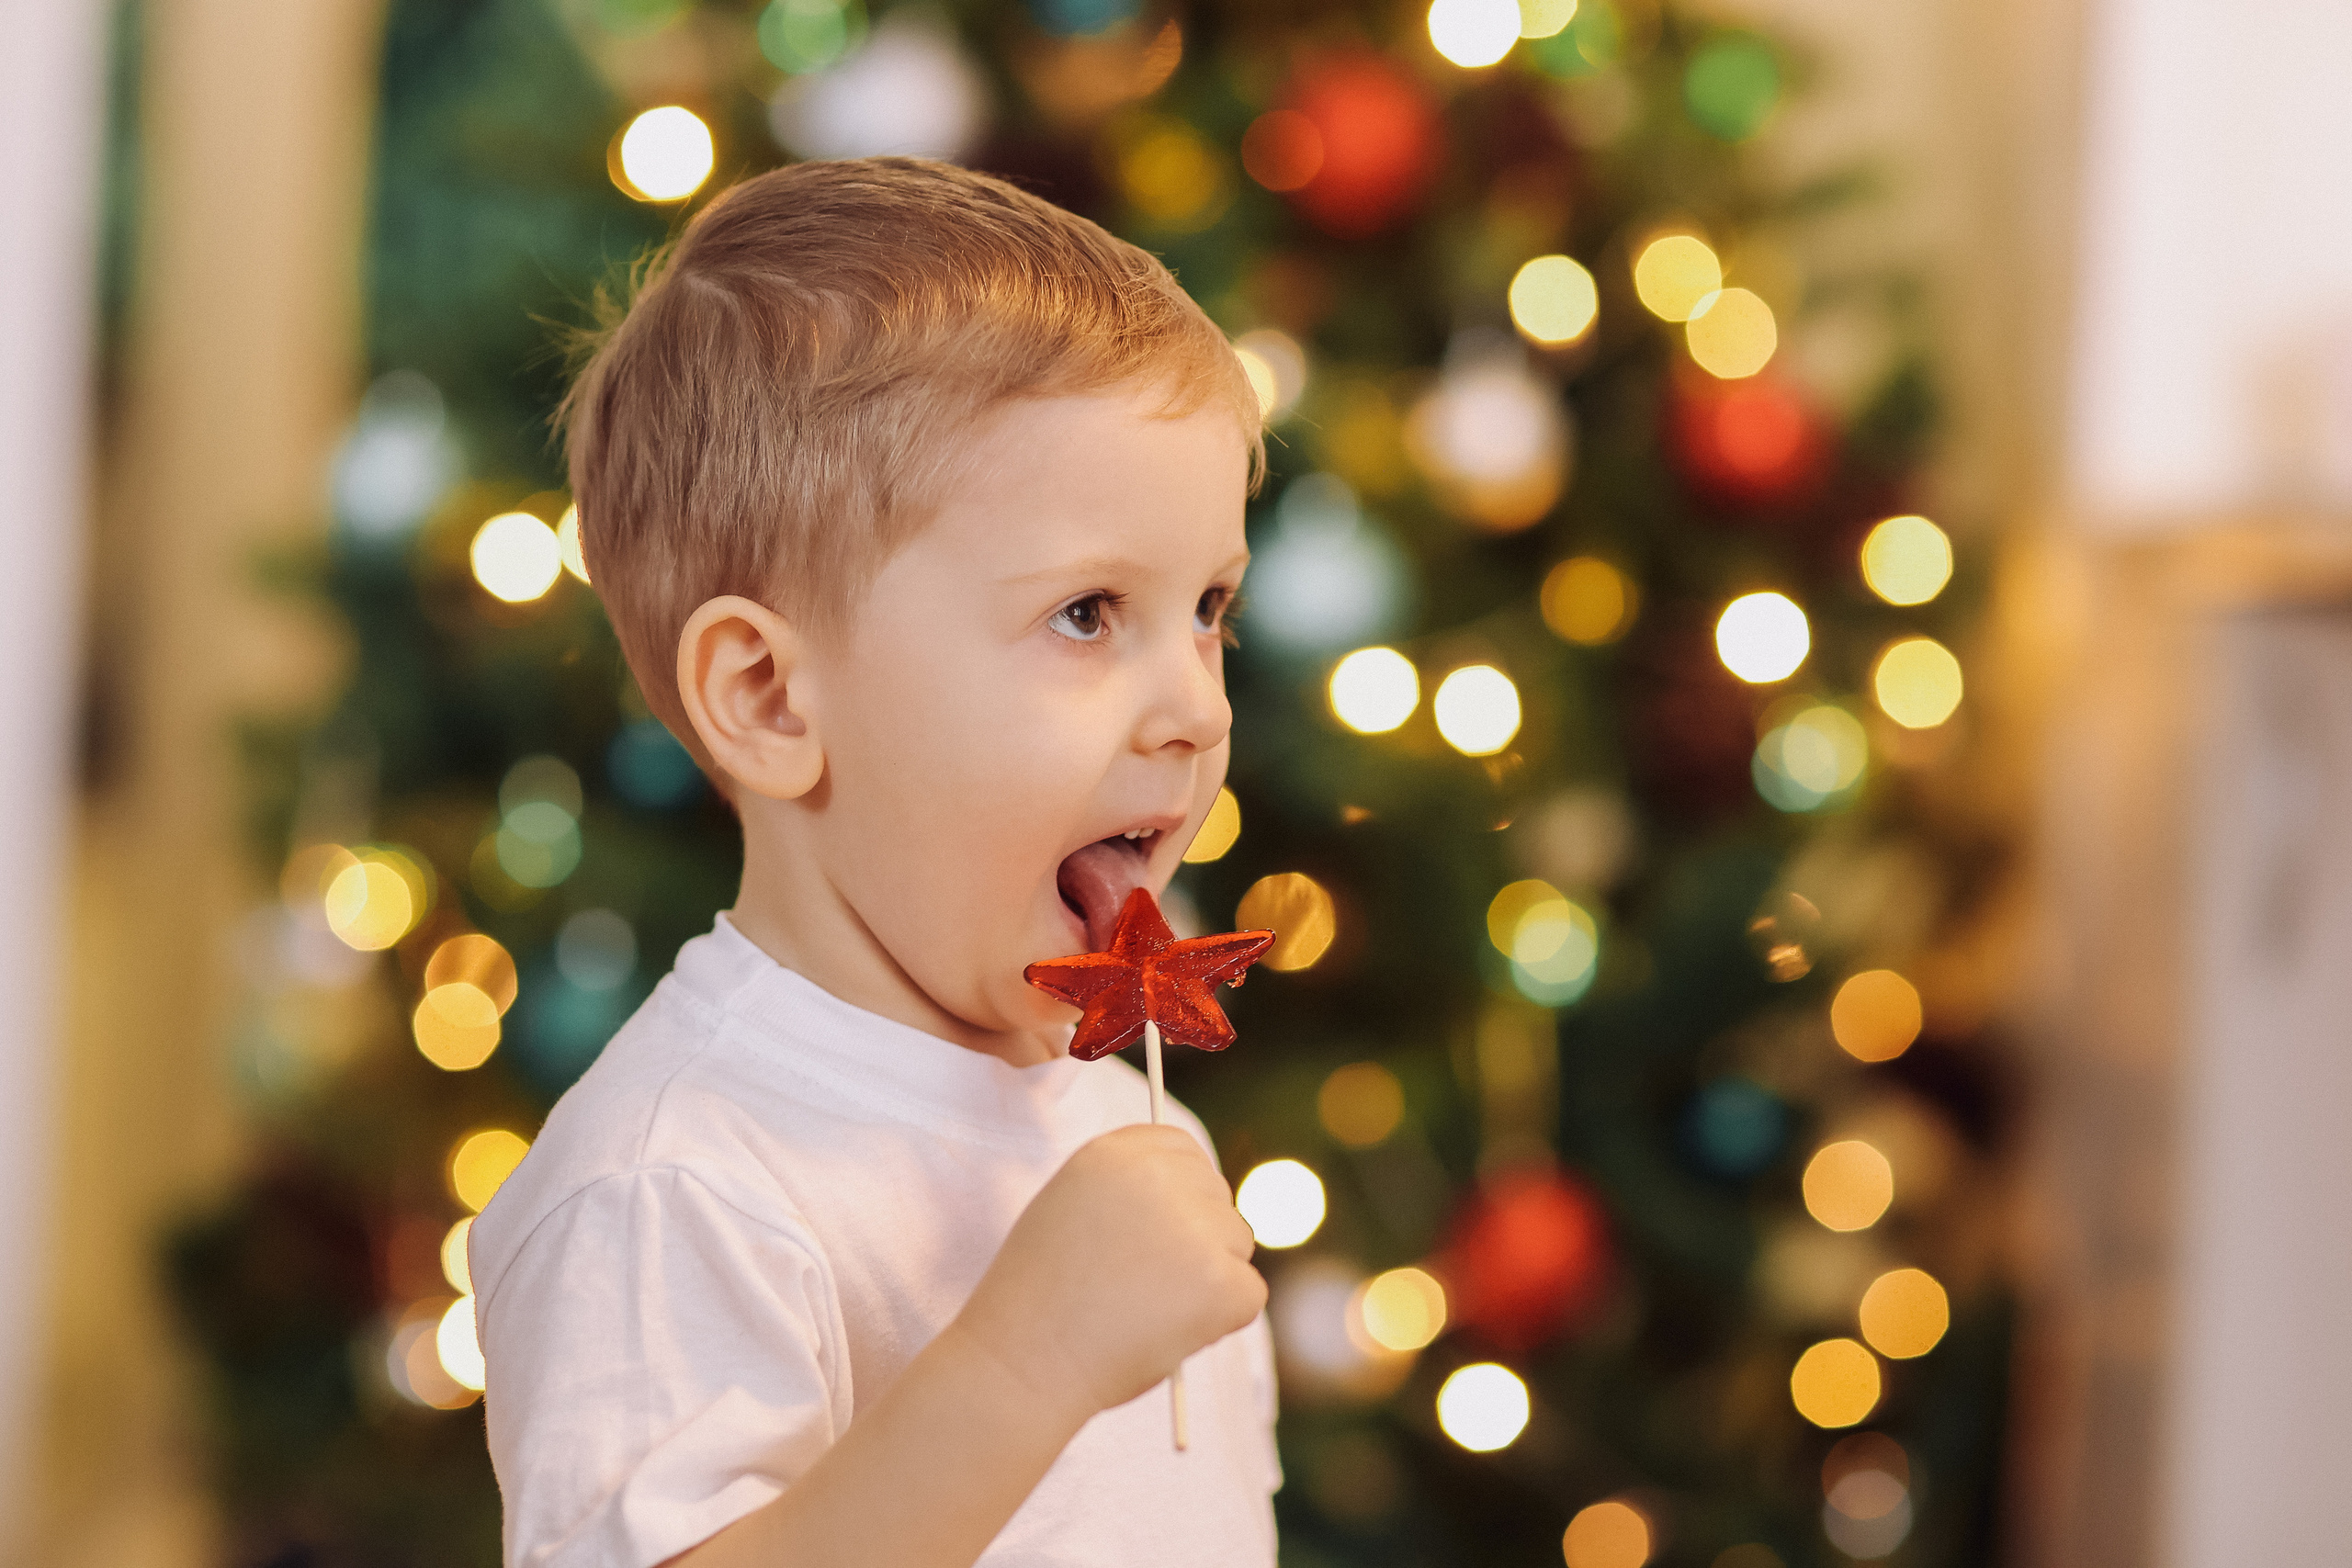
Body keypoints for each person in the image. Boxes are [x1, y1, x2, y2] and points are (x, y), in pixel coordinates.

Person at [468, 157, 1278, 1568]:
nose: (1200, 708)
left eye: (1207, 607)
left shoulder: (1137, 1149)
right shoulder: (677, 1185)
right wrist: (1024, 1363)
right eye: (1088, 613)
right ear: (774, 699)